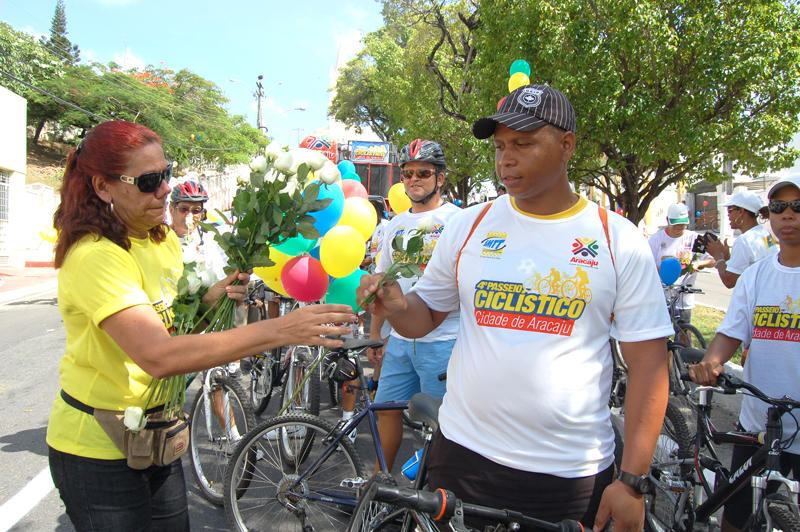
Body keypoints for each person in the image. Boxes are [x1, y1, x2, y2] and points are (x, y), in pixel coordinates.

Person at [358, 84, 673, 532]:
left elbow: (648, 367)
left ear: (567, 145)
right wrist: (395, 305)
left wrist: (631, 481)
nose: (506, 158)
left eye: (524, 143)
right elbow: (423, 317)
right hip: (463, 457)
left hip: (571, 475)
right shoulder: (469, 226)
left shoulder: (617, 238)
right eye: (501, 145)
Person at [47, 121, 355, 532]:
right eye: (149, 181)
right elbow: (158, 354)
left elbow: (177, 325)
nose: (164, 190)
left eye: (167, 173)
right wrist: (281, 330)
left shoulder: (161, 240)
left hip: (158, 434)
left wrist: (211, 300)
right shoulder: (95, 256)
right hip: (99, 448)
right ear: (103, 187)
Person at [689, 175, 800, 532]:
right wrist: (712, 361)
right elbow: (730, 332)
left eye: (797, 206)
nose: (787, 214)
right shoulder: (756, 277)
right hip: (758, 425)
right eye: (779, 207)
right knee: (734, 515)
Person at [368, 138, 461, 474]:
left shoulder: (458, 221)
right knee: (386, 411)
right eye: (407, 173)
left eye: (423, 172)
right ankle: (379, 485)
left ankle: (435, 499)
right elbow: (382, 277)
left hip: (444, 341)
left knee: (443, 424)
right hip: (399, 340)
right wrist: (377, 334)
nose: (413, 179)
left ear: (440, 178)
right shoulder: (395, 223)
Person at [648, 203, 716, 331]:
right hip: (662, 296)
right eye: (675, 224)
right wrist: (664, 272)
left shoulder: (694, 237)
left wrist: (698, 263)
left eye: (682, 224)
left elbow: (712, 260)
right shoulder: (657, 239)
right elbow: (648, 264)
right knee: (663, 334)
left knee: (685, 331)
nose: (679, 227)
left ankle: (685, 350)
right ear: (668, 221)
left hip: (684, 295)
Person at [706, 191, 776, 288]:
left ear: (741, 211)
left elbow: (729, 282)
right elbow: (749, 266)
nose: (728, 215)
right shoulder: (765, 234)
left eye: (730, 211)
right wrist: (727, 257)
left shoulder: (744, 240)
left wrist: (717, 255)